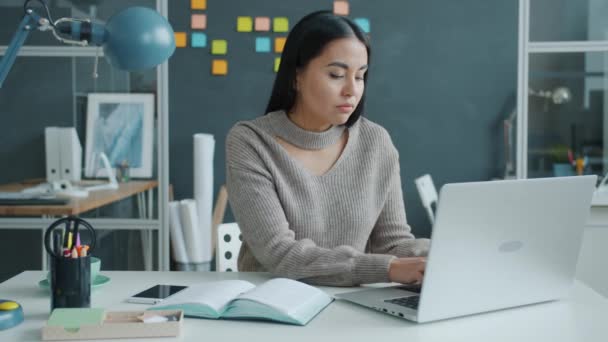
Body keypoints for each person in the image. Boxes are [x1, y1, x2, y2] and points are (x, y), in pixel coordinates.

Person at [225, 10, 429, 286]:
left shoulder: (376, 142)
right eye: (336, 74)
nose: (351, 90)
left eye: (360, 76)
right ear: (297, 76)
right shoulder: (251, 142)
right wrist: (388, 269)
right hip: (270, 310)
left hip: (351, 308)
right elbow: (280, 254)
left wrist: (443, 251)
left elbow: (392, 244)